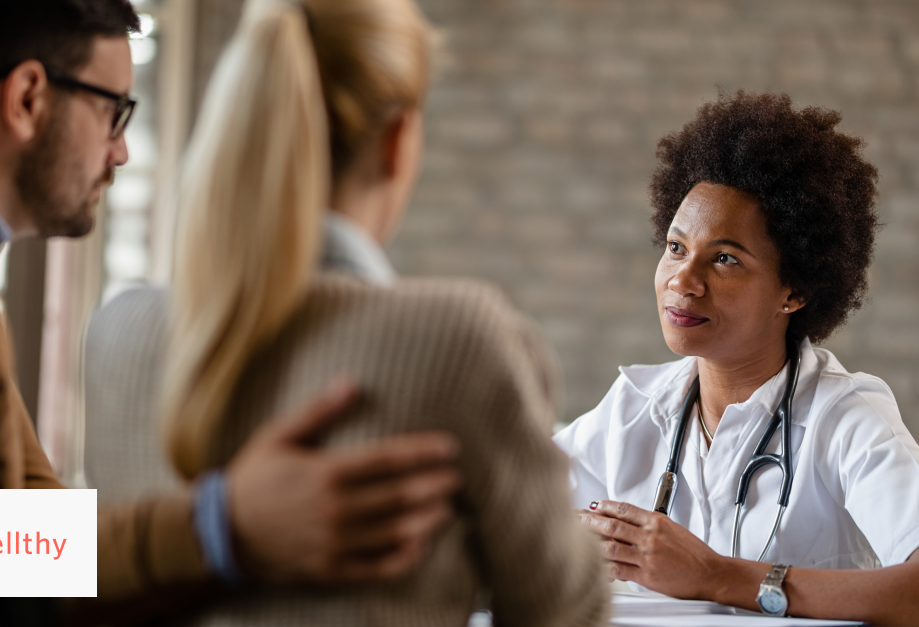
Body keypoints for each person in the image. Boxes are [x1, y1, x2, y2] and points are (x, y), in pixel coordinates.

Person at [0, 0, 461, 619]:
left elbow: (11, 532)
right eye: (113, 112)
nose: (121, 153)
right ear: (27, 97)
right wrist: (225, 525)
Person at [86, 0, 609, 624]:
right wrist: (222, 525)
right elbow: (564, 615)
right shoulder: (461, 341)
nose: (116, 153)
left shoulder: (116, 331)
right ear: (396, 142)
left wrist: (214, 528)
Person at [555, 91, 919, 627]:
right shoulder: (636, 407)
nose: (682, 282)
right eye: (676, 247)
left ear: (794, 290)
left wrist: (717, 576)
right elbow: (504, 503)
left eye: (726, 258)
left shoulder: (844, 418)